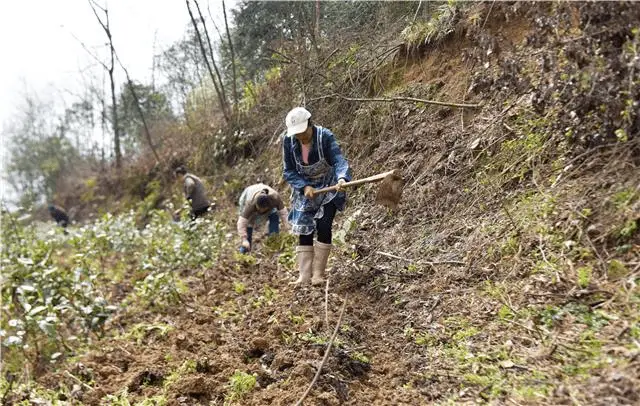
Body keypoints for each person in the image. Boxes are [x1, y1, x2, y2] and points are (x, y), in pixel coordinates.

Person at [282, 107, 352, 286]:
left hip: (328, 186)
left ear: (310, 124)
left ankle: (318, 274)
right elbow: (289, 170)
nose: (300, 137)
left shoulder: (325, 137)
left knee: (324, 224)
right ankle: (304, 276)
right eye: (296, 134)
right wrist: (303, 186)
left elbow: (338, 161)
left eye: (303, 133)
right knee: (304, 228)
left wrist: (342, 178)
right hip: (305, 188)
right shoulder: (289, 142)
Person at [236, 184, 289, 253]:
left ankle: (274, 245)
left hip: (269, 202)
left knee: (274, 216)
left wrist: (289, 229)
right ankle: (244, 251)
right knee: (249, 224)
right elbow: (242, 222)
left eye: (263, 210)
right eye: (260, 209)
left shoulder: (275, 198)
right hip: (249, 192)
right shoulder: (250, 204)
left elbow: (284, 214)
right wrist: (244, 239)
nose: (261, 212)